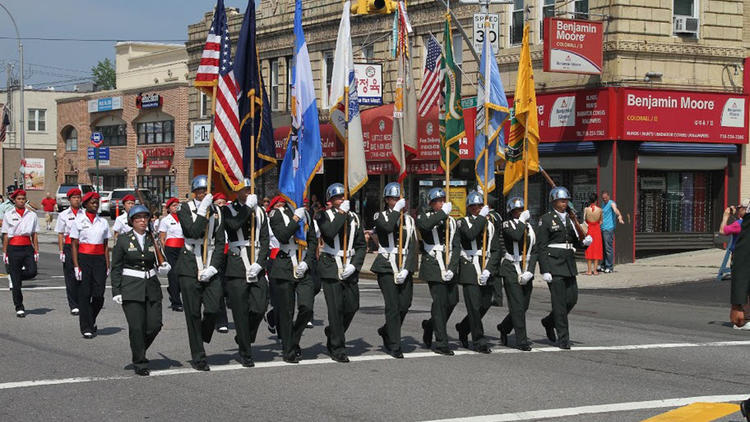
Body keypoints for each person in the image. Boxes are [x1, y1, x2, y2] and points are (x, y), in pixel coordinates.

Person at [110, 205, 171, 376]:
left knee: (155, 325)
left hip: (151, 286)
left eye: (146, 218)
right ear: (132, 222)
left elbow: (160, 260)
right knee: (137, 327)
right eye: (139, 218)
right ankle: (140, 361)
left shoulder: (154, 239)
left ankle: (139, 349)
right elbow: (116, 267)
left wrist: (164, 267)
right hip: (131, 288)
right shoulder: (123, 239)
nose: (143, 221)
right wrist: (116, 291)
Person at [215, 180, 269, 367]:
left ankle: (245, 336)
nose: (247, 193)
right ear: (236, 192)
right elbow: (234, 226)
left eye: (249, 190)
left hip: (256, 263)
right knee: (240, 313)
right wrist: (247, 208)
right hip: (237, 265)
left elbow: (265, 239)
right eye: (243, 190)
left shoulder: (261, 211)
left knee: (259, 307)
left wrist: (260, 263)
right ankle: (245, 352)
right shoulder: (228, 211)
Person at [175, 175, 224, 371]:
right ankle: (199, 356)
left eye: (206, 190)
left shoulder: (218, 210)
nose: (204, 194)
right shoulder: (185, 209)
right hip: (189, 264)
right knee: (193, 313)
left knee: (213, 308)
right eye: (200, 191)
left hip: (209, 262)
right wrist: (202, 210)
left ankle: (204, 332)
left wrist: (214, 266)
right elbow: (192, 232)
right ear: (194, 192)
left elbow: (220, 241)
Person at [316, 183, 366, 363]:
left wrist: (355, 265)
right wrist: (341, 214)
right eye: (337, 198)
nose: (341, 200)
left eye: (343, 197)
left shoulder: (355, 218)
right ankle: (337, 348)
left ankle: (334, 332)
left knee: (352, 305)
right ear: (330, 200)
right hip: (330, 266)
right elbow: (329, 233)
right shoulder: (322, 215)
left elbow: (361, 245)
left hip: (349, 266)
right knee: (335, 310)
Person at [537, 187, 592, 350]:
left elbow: (575, 240)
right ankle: (563, 337)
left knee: (572, 299)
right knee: (559, 303)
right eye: (562, 200)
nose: (565, 203)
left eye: (566, 200)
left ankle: (549, 321)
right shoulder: (546, 219)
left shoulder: (570, 219)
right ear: (553, 202)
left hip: (568, 264)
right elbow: (541, 246)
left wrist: (584, 243)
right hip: (554, 264)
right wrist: (544, 269)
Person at [268, 194, 317, 363]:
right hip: (285, 265)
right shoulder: (277, 213)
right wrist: (296, 218)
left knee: (307, 307)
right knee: (287, 312)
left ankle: (293, 340)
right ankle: (288, 350)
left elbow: (313, 242)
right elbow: (282, 235)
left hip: (303, 265)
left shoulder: (307, 214)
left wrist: (307, 262)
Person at [371, 182, 417, 359]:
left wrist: (408, 269)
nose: (396, 201)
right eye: (393, 198)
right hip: (386, 265)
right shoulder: (380, 215)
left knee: (405, 304)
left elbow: (412, 246)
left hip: (403, 265)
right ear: (387, 200)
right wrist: (397, 210)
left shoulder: (409, 220)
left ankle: (387, 330)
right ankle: (395, 345)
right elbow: (388, 227)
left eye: (398, 198)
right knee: (393, 306)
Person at [417, 187, 459, 355]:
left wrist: (453, 267)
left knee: (452, 301)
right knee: (440, 303)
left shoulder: (451, 221)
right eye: (438, 201)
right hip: (433, 264)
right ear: (431, 204)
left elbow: (456, 246)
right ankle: (441, 342)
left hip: (449, 264)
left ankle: (430, 325)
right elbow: (426, 226)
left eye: (443, 200)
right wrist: (442, 214)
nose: (442, 203)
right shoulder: (424, 217)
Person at [453, 191, 496, 354]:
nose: (477, 208)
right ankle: (479, 341)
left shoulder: (489, 224)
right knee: (474, 306)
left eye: (479, 206)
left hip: (485, 266)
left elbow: (496, 249)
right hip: (470, 267)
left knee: (485, 304)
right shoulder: (462, 222)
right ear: (468, 208)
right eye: (473, 206)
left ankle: (464, 327)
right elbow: (471, 235)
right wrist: (481, 218)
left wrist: (489, 268)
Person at [497, 197, 537, 351]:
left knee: (524, 305)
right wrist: (521, 220)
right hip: (511, 267)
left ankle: (504, 327)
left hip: (526, 267)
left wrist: (531, 271)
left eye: (522, 210)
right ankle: (521, 340)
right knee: (517, 306)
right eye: (516, 210)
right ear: (511, 212)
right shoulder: (507, 224)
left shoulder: (530, 227)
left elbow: (535, 250)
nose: (519, 212)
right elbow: (515, 236)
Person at [70, 191, 111, 339]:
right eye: (93, 202)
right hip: (84, 258)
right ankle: (86, 327)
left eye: (97, 202)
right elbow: (74, 245)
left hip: (99, 259)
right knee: (85, 294)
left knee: (99, 295)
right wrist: (76, 266)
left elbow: (106, 245)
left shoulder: (103, 222)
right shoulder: (78, 221)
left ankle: (90, 318)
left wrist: (107, 264)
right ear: (86, 204)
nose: (95, 204)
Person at [2, 189, 39, 317]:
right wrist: (5, 252)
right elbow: (6, 235)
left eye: (23, 199)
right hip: (14, 247)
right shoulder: (8, 214)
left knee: (32, 271)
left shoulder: (31, 215)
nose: (21, 201)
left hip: (27, 246)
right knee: (17, 285)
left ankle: (15, 276)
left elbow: (34, 234)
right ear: (14, 200)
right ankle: (19, 306)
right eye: (19, 199)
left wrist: (36, 250)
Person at [56, 188, 82, 315]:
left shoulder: (84, 213)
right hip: (68, 246)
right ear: (69, 200)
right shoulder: (63, 215)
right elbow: (61, 234)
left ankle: (82, 300)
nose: (77, 200)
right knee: (71, 276)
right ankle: (73, 304)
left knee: (83, 275)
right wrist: (61, 251)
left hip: (82, 247)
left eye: (78, 197)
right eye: (74, 198)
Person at [158, 197, 184, 312]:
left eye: (177, 205)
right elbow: (162, 238)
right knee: (173, 275)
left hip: (183, 248)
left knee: (182, 275)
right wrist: (164, 252)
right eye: (173, 205)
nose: (176, 207)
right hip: (171, 248)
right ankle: (176, 302)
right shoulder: (165, 220)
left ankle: (172, 291)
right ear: (168, 208)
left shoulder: (184, 218)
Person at [211, 192, 231, 334]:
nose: (221, 205)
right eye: (218, 203)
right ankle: (221, 320)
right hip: (216, 253)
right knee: (217, 288)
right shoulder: (211, 216)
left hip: (231, 254)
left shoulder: (231, 216)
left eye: (223, 202)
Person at [600, 190, 624, 273]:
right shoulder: (603, 204)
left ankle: (609, 267)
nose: (605, 200)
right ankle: (603, 265)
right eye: (603, 199)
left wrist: (619, 216)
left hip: (608, 229)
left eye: (606, 198)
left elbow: (615, 210)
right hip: (602, 228)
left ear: (609, 197)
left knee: (608, 248)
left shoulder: (611, 203)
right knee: (603, 248)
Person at [583, 193, 603, 276]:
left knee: (589, 248)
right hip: (597, 229)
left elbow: (584, 219)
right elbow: (601, 221)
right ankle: (595, 270)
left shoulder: (586, 209)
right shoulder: (600, 210)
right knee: (597, 248)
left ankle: (589, 270)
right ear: (596, 200)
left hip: (589, 229)